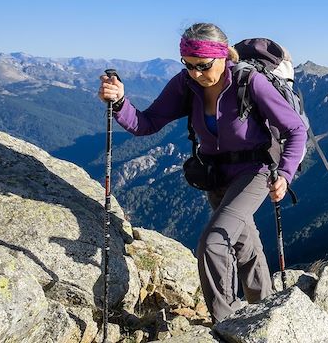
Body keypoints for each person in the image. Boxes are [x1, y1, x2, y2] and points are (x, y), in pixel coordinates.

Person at [97, 22, 306, 322]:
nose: (195, 73)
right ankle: (265, 311)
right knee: (244, 242)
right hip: (214, 174)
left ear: (223, 56)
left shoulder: (250, 83)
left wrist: (285, 174)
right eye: (189, 65)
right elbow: (147, 123)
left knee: (214, 241)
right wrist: (119, 102)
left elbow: (295, 129)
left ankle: (227, 321)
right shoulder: (186, 85)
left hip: (255, 171)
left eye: (202, 65)